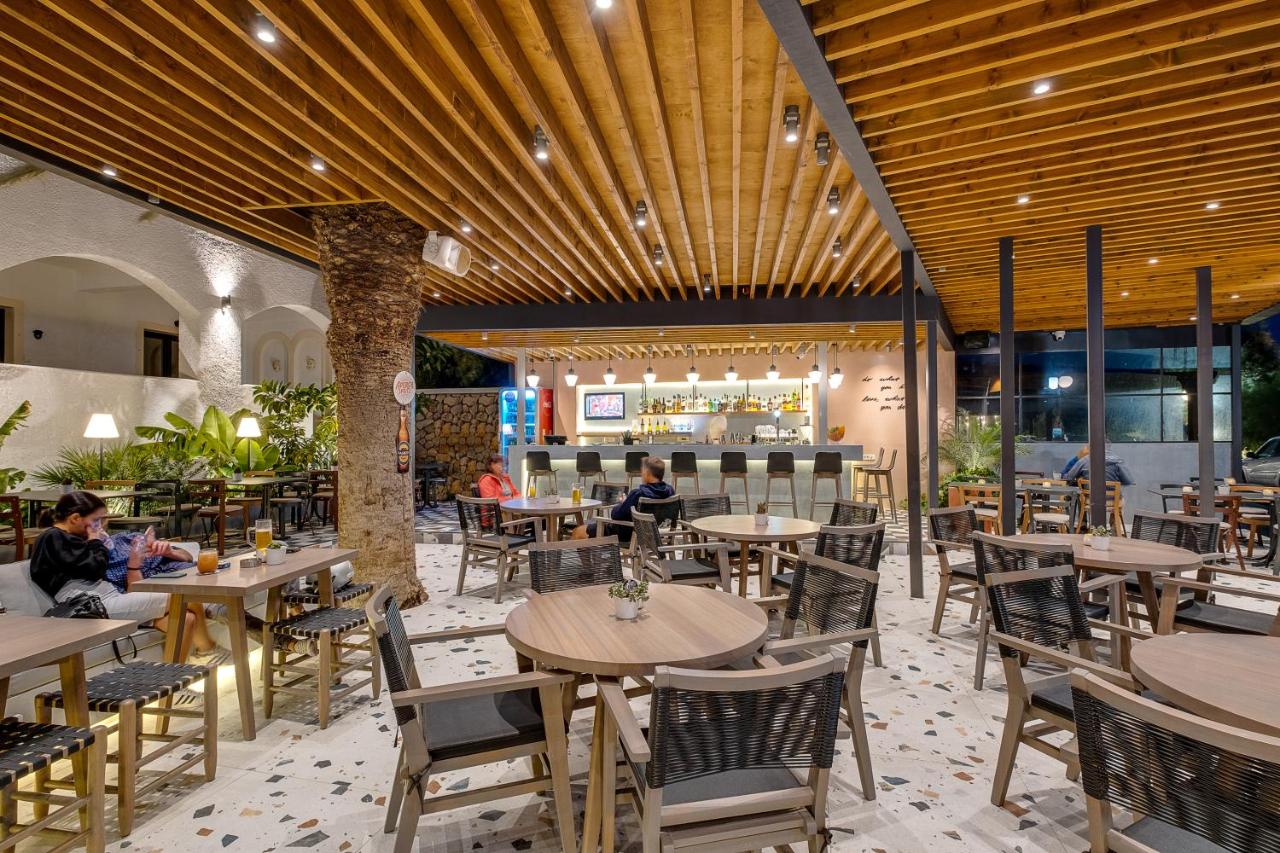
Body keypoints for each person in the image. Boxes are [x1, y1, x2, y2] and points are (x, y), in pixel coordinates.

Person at [30, 491, 216, 660]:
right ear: (75, 518)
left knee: (186, 619)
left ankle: (171, 680)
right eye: (96, 521)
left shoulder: (69, 539)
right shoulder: (52, 537)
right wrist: (95, 540)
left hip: (109, 598)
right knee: (185, 598)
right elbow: (95, 568)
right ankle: (209, 650)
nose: (101, 526)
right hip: (93, 604)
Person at [572, 456, 674, 542]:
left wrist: (623, 502)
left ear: (647, 473)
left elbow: (615, 515)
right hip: (651, 536)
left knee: (578, 532)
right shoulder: (670, 492)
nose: (641, 474)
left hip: (626, 534)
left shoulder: (638, 494)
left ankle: (587, 560)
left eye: (642, 471)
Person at [1062, 447, 1135, 486]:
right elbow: (1128, 481)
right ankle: (1116, 511)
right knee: (1121, 500)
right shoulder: (1118, 460)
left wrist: (1077, 458)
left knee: (1080, 496)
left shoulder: (1085, 459)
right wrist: (1116, 481)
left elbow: (1067, 477)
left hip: (1090, 498)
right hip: (1112, 499)